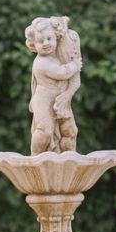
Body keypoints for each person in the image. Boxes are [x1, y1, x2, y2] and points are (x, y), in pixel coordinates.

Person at [25, 16, 82, 155]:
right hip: (43, 101)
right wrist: (75, 65)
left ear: (56, 37)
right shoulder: (42, 63)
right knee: (45, 130)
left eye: (49, 38)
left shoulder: (56, 55)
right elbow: (61, 73)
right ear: (33, 45)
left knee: (70, 131)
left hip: (59, 99)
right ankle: (35, 157)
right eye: (40, 41)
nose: (46, 43)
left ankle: (68, 157)